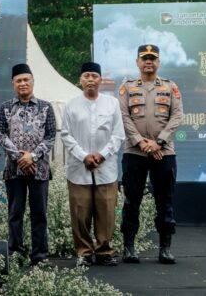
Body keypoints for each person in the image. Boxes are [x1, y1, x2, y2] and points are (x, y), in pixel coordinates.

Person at [119, 44, 182, 265]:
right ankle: (129, 247)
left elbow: (177, 117)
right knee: (131, 200)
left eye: (152, 58)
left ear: (158, 62)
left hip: (163, 152)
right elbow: (124, 117)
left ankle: (165, 249)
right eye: (144, 58)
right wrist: (142, 143)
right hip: (134, 152)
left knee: (165, 201)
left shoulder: (170, 87)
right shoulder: (127, 87)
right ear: (137, 62)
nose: (148, 62)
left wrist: (159, 142)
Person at [60, 62, 125, 267]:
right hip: (79, 168)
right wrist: (83, 156)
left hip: (106, 168)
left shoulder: (112, 104)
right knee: (80, 212)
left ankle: (105, 251)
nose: (90, 79)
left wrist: (102, 155)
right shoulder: (71, 105)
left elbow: (118, 134)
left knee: (106, 211)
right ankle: (84, 252)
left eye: (94, 76)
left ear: (100, 80)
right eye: (86, 76)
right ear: (80, 80)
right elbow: (66, 134)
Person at [0, 63, 56, 264]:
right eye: (18, 80)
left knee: (39, 214)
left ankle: (39, 255)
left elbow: (50, 137)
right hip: (14, 171)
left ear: (32, 81)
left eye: (26, 80)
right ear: (13, 83)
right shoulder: (5, 108)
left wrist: (33, 156)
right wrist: (20, 158)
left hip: (40, 170)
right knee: (15, 214)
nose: (22, 84)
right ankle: (16, 254)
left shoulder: (46, 107)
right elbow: (1, 135)